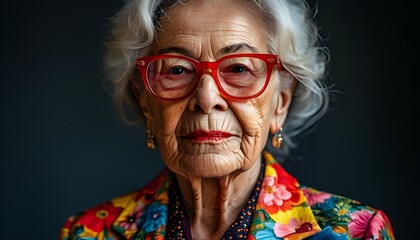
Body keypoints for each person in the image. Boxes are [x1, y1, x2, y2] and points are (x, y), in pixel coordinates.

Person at [59, 0, 396, 239]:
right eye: (177, 70)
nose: (206, 99)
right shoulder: (89, 233)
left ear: (280, 101)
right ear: (146, 102)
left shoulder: (356, 230)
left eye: (238, 69)